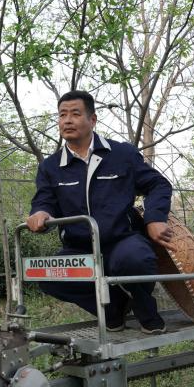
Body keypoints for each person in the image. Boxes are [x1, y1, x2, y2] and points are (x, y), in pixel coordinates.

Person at [26, 90, 175, 334]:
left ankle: (145, 308)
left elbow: (158, 184)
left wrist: (155, 218)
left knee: (135, 259)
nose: (67, 120)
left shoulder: (122, 155)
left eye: (75, 114)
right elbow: (44, 200)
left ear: (92, 120)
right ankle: (113, 307)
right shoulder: (51, 167)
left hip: (121, 239)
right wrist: (40, 212)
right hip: (79, 247)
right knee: (46, 274)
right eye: (62, 115)